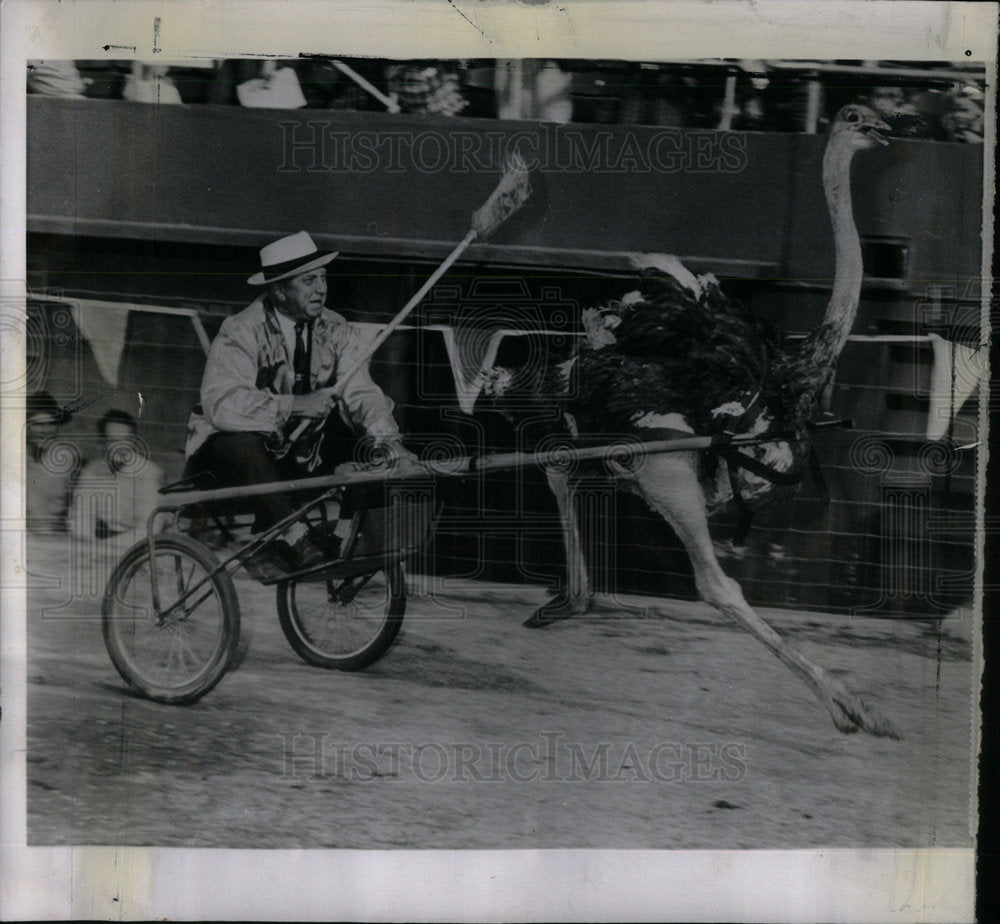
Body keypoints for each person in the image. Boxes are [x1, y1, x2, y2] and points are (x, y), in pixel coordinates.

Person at [183, 231, 416, 575]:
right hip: (227, 461)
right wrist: (293, 405)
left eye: (322, 278)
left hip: (298, 453)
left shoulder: (336, 329)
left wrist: (388, 440)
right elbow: (222, 403)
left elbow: (361, 391)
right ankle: (291, 537)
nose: (321, 288)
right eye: (309, 281)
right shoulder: (241, 331)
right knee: (242, 443)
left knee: (368, 444)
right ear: (279, 290)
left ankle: (340, 539)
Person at [70, 410, 165, 544]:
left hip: (135, 547)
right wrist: (90, 542)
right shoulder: (92, 470)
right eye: (113, 441)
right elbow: (80, 516)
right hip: (95, 542)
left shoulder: (150, 473)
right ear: (102, 442)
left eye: (126, 440)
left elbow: (150, 528)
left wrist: (105, 545)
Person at [25, 391, 79, 533]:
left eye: (51, 424)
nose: (45, 430)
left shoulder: (65, 457)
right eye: (38, 425)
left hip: (51, 531)